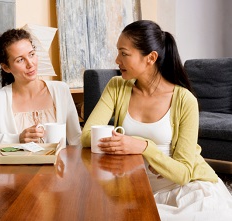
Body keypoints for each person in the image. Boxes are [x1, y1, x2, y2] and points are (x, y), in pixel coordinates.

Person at [81, 20, 232, 220]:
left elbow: (183, 173)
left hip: (185, 191)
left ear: (150, 58)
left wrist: (145, 147)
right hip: (135, 188)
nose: (117, 60)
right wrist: (125, 145)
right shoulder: (117, 86)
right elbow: (86, 136)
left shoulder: (185, 100)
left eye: (124, 53)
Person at [0, 28, 81, 145]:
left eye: (32, 54)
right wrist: (16, 138)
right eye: (20, 60)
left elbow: (76, 139)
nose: (30, 64)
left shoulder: (61, 90)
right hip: (15, 167)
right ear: (6, 67)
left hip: (58, 165)